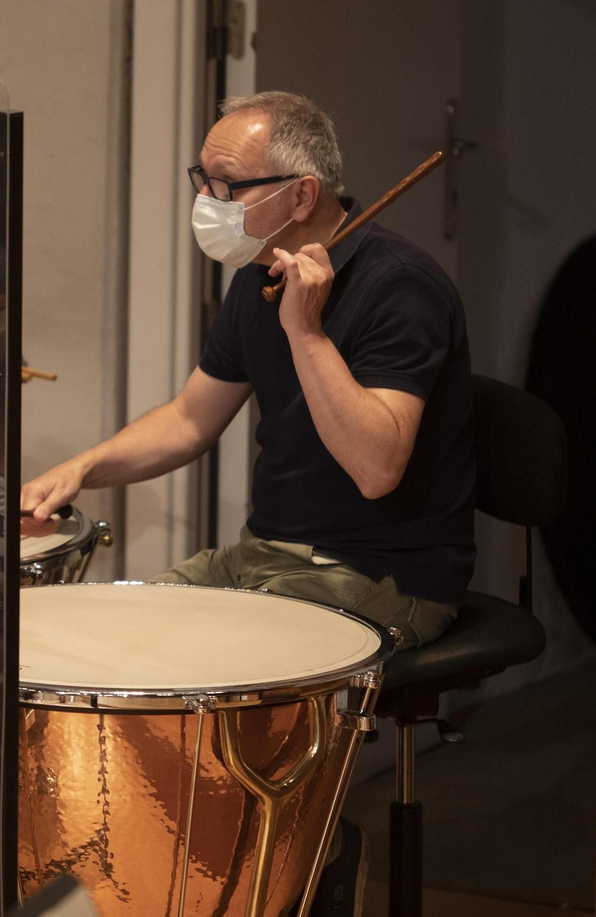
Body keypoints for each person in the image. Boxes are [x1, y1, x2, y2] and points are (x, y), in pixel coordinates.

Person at [23, 91, 474, 649]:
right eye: (202, 179)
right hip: (265, 554)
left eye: (226, 184)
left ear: (302, 195)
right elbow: (190, 418)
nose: (206, 200)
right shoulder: (258, 271)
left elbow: (376, 469)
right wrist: (83, 468)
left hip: (380, 574)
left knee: (184, 659)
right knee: (100, 638)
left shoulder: (402, 287)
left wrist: (306, 332)